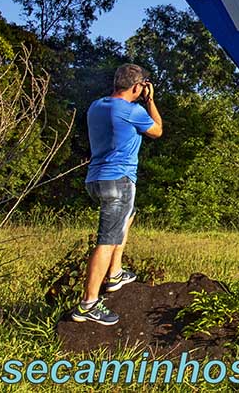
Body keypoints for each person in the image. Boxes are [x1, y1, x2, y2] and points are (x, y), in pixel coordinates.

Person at [70, 63, 163, 325]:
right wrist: (151, 100)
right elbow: (157, 130)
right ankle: (88, 303)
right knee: (107, 239)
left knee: (128, 215)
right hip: (118, 181)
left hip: (95, 179)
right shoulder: (133, 111)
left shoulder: (97, 106)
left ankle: (115, 273)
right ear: (137, 87)